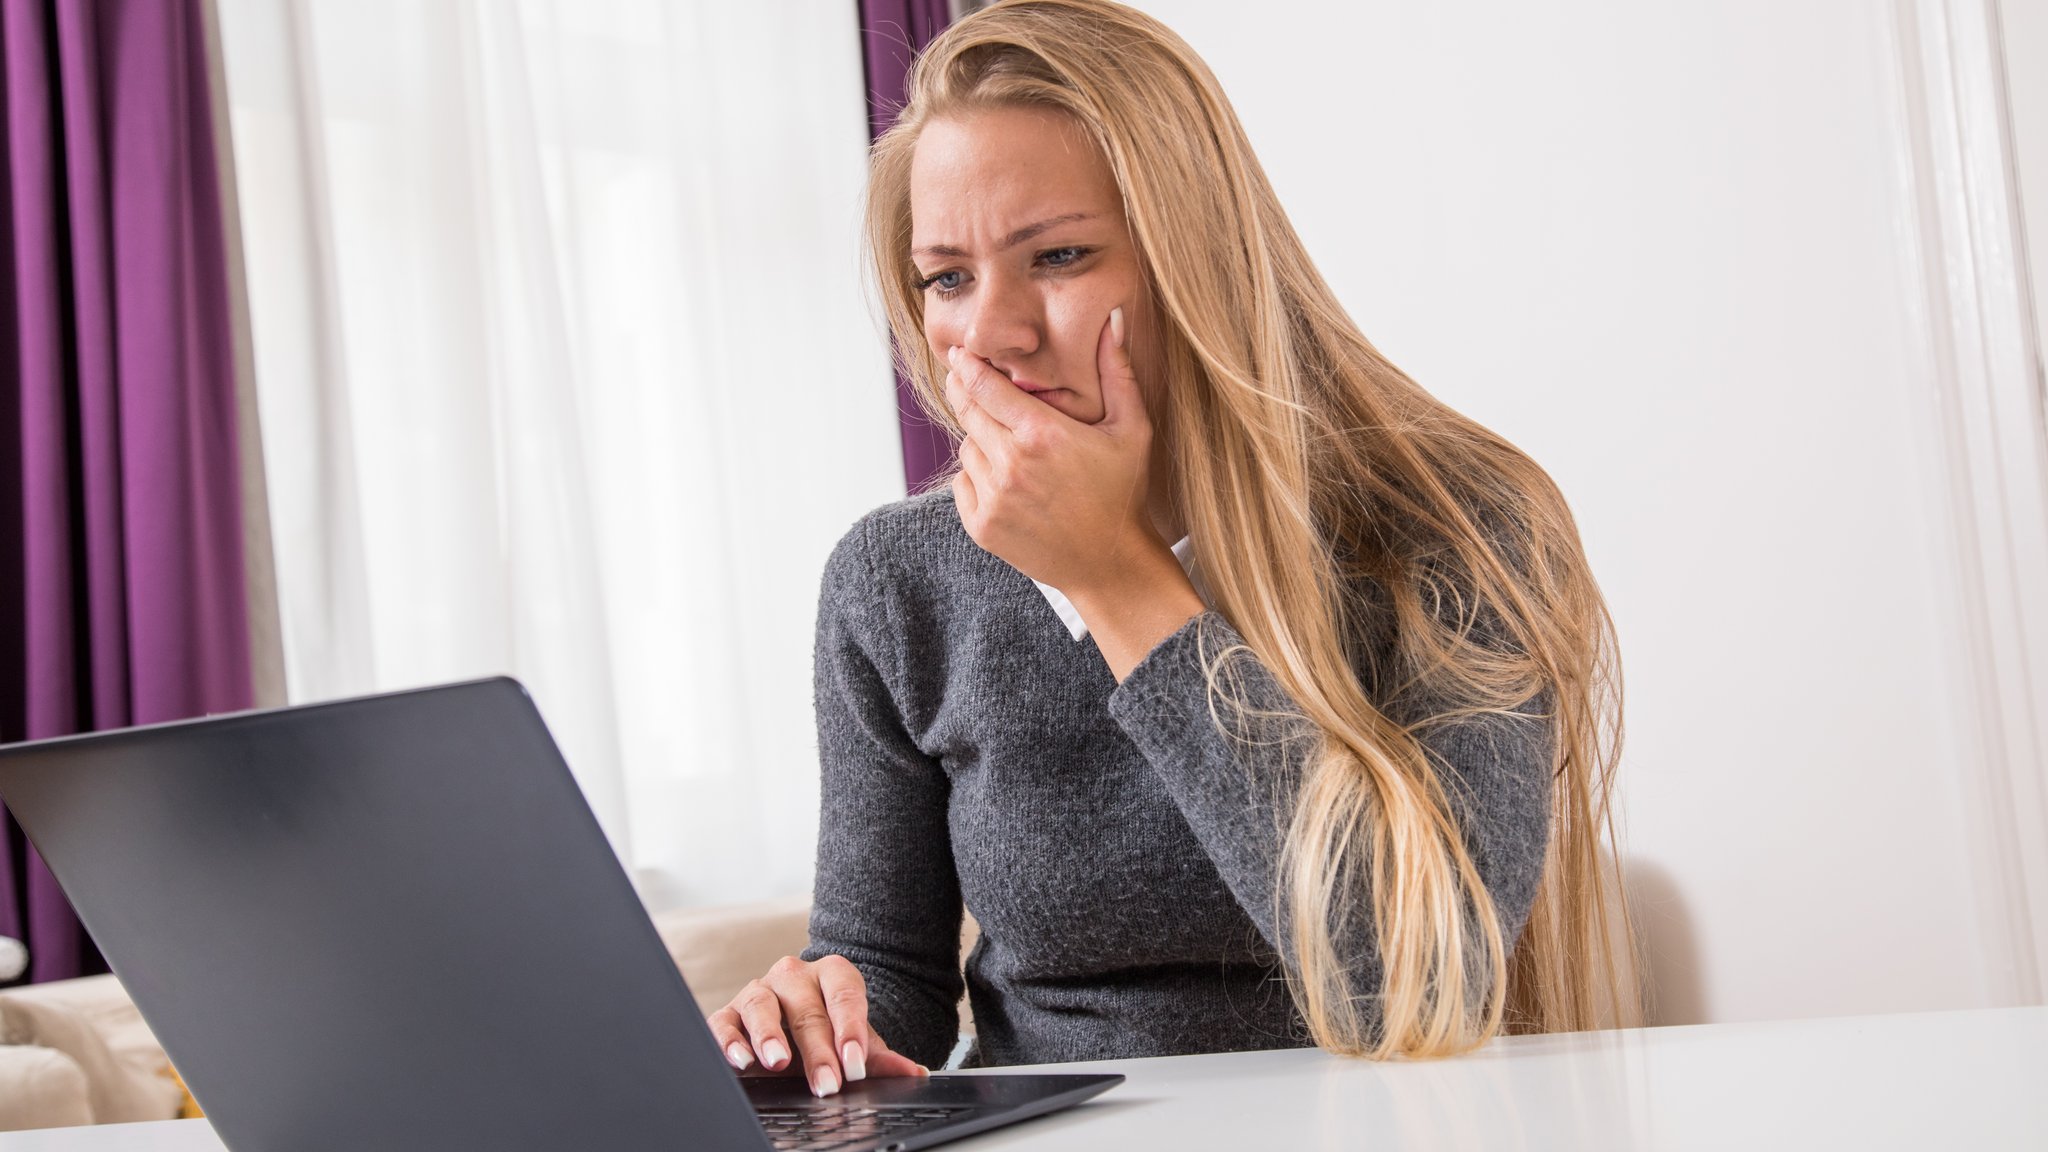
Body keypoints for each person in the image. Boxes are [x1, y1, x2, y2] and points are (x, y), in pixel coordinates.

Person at [709, 0, 1633, 1098]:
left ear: (1199, 258)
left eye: (1055, 255)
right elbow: (890, 977)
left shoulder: (1457, 523)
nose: (991, 332)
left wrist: (1112, 577)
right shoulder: (892, 581)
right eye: (947, 278)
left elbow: (1417, 988)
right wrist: (818, 1022)